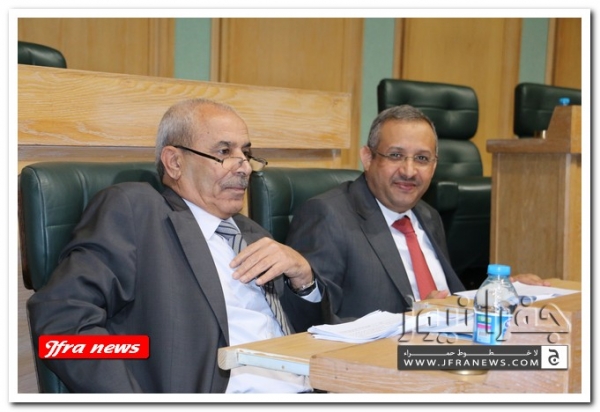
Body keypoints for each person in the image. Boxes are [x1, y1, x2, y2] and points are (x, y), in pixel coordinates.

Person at [27, 98, 327, 393]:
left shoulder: (251, 232)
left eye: (246, 153)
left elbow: (305, 333)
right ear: (174, 162)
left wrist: (304, 281)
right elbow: (62, 321)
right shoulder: (138, 212)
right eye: (224, 152)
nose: (245, 167)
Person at [286, 104, 549, 324]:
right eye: (396, 155)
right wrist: (415, 320)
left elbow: (447, 296)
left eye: (422, 159)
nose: (409, 171)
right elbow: (312, 322)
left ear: (434, 166)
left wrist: (497, 291)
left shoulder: (427, 215)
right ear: (367, 158)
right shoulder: (328, 215)